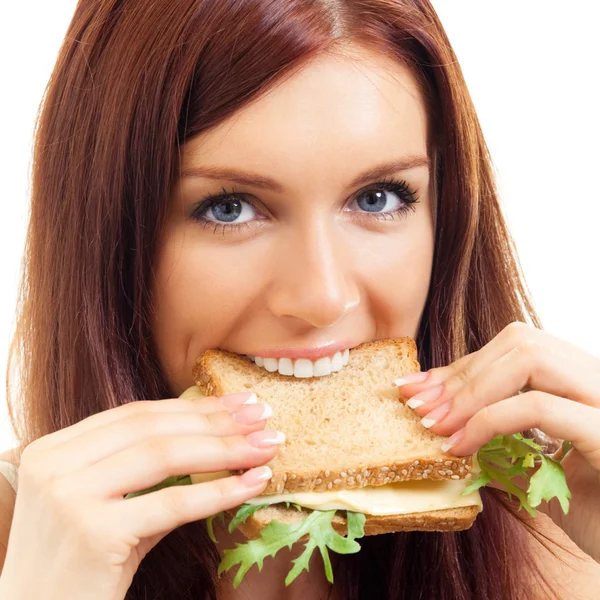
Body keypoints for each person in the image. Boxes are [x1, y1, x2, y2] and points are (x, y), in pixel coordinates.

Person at [0, 0, 598, 598]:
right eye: (227, 207)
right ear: (107, 236)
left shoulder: (564, 544)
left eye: (378, 198)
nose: (323, 297)